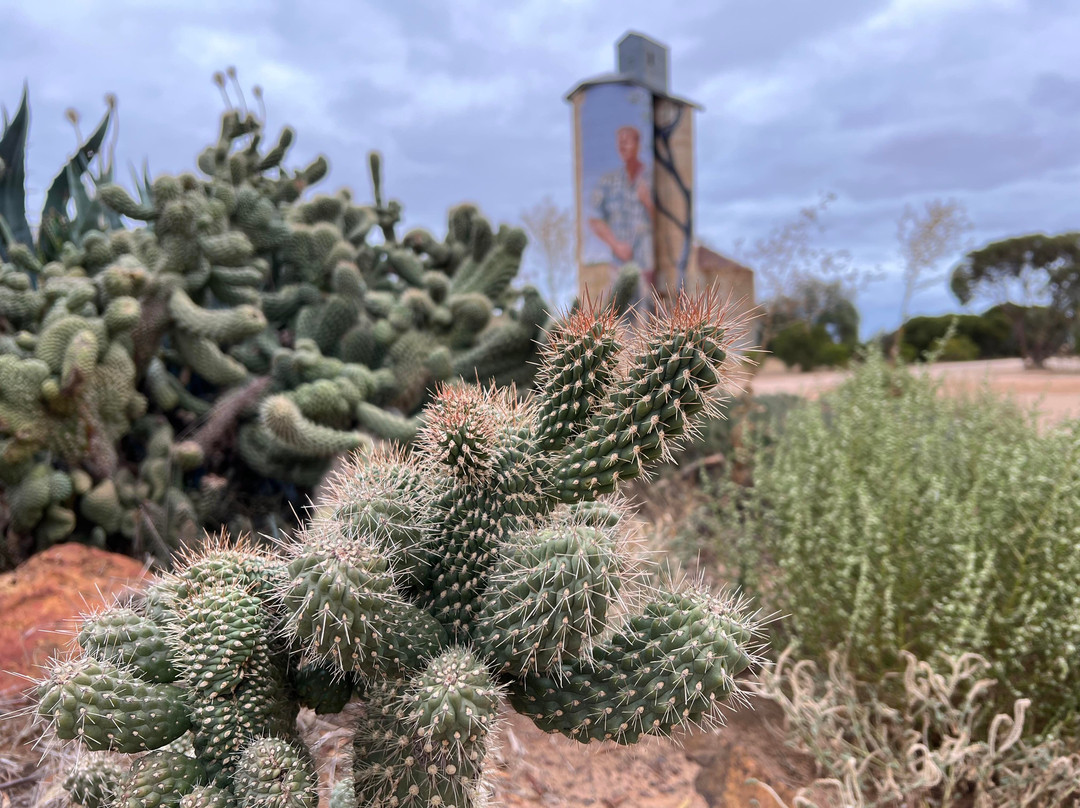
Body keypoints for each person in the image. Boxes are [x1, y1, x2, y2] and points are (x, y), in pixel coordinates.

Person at [588, 125, 655, 290]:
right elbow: (594, 219)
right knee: (618, 303)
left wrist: (648, 202)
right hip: (618, 265)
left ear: (637, 145)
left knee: (646, 303)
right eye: (619, 143)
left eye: (626, 142)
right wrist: (616, 245)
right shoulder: (609, 181)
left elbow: (666, 223)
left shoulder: (652, 178)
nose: (622, 147)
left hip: (646, 264)